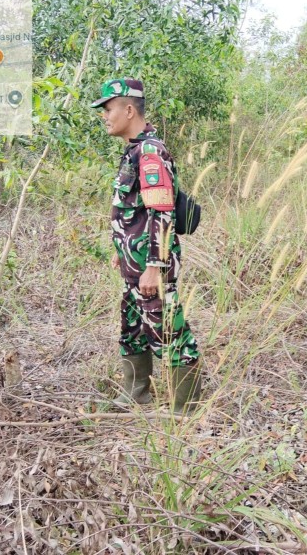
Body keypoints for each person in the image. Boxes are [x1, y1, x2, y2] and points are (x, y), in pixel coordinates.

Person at [90, 78, 202, 413]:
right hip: (134, 264)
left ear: (128, 109)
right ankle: (137, 392)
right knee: (133, 329)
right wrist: (121, 250)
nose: (104, 116)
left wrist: (155, 266)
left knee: (168, 331)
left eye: (108, 109)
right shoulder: (134, 150)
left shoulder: (151, 152)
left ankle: (186, 407)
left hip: (150, 265)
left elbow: (161, 211)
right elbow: (134, 212)